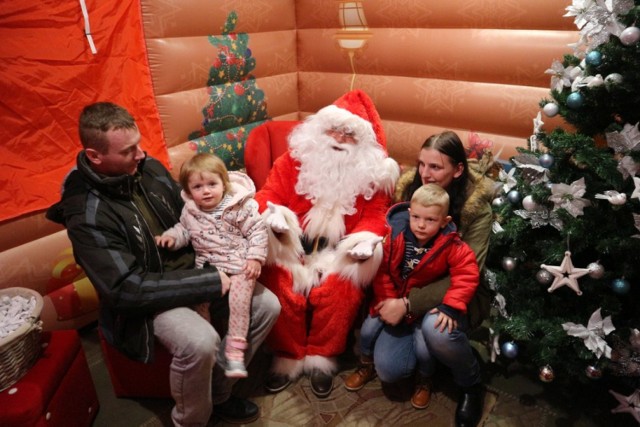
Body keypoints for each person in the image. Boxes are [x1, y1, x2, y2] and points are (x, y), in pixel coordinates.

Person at [46, 102, 281, 427]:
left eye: (138, 144)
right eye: (128, 150)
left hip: (192, 268)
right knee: (200, 341)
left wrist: (232, 207)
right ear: (95, 156)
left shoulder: (147, 168)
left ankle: (219, 391)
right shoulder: (87, 214)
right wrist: (210, 282)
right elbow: (125, 289)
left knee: (268, 305)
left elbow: (190, 212)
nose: (141, 154)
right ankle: (192, 420)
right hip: (149, 297)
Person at [343, 131, 496, 427]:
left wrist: (408, 302)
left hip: (454, 297)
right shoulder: (408, 196)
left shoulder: (476, 209)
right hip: (403, 291)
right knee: (390, 371)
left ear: (458, 170)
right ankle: (429, 361)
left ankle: (470, 383)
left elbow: (467, 274)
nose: (425, 174)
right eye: (422, 164)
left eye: (436, 167)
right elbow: (388, 253)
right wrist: (391, 298)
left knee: (436, 330)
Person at [253, 90, 400, 398]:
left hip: (337, 252)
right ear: (320, 130)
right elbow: (268, 194)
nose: (339, 138)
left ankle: (322, 357)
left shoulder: (371, 175)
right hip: (292, 244)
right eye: (333, 129)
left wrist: (365, 240)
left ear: (361, 143)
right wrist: (274, 216)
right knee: (278, 280)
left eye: (349, 134)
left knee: (342, 288)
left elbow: (376, 214)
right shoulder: (291, 161)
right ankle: (288, 356)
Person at [344, 183, 479, 411]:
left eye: (430, 220)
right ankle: (365, 364)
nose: (421, 225)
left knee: (425, 350)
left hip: (423, 309)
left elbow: (467, 274)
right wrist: (387, 299)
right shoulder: (394, 236)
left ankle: (425, 379)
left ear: (444, 221)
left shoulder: (452, 245)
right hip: (392, 300)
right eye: (416, 217)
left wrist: (452, 306)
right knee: (367, 330)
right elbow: (382, 270)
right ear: (409, 214)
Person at [155, 153, 268, 378]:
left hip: (239, 267)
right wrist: (170, 238)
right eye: (198, 186)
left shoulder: (238, 207)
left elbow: (258, 231)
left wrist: (255, 258)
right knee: (200, 305)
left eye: (212, 184)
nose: (206, 191)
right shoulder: (191, 211)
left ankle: (235, 355)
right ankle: (213, 353)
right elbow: (183, 230)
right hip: (208, 269)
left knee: (238, 306)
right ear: (188, 192)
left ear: (223, 184)